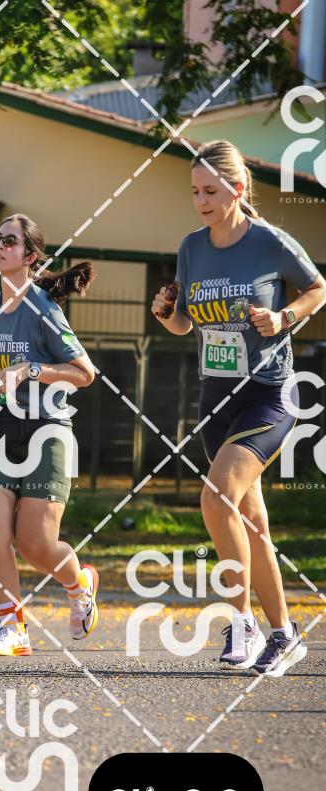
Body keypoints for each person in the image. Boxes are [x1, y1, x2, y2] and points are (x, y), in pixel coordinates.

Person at [152, 139, 325, 677]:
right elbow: (184, 321)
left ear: (238, 188)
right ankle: (285, 635)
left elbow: (318, 288)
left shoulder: (270, 242)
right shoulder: (191, 247)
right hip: (216, 398)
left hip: (268, 396)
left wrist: (284, 317)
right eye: (195, 192)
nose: (201, 201)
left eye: (211, 191)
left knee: (216, 496)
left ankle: (242, 621)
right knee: (250, 523)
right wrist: (167, 314)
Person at [0, 214, 98, 657]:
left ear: (31, 256)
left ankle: (79, 583)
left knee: (35, 544)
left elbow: (85, 374)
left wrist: (31, 370)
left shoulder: (44, 310)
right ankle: (12, 628)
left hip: (46, 429)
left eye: (10, 242)